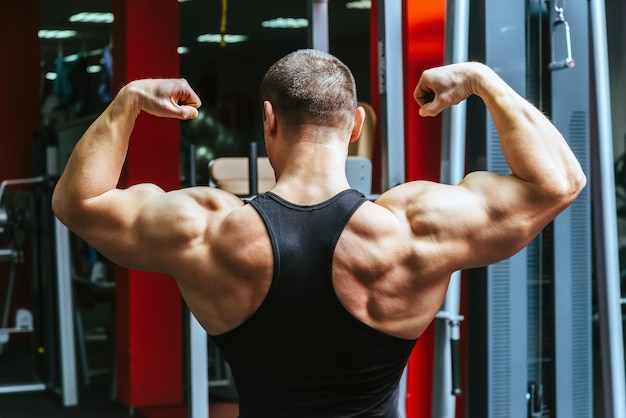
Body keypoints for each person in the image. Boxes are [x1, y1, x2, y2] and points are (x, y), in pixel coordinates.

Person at [52, 49, 586, 417]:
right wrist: (481, 80)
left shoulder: (209, 231)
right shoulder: (413, 229)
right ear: (355, 126)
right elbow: (559, 182)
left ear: (268, 120)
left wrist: (127, 102)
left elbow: (79, 201)